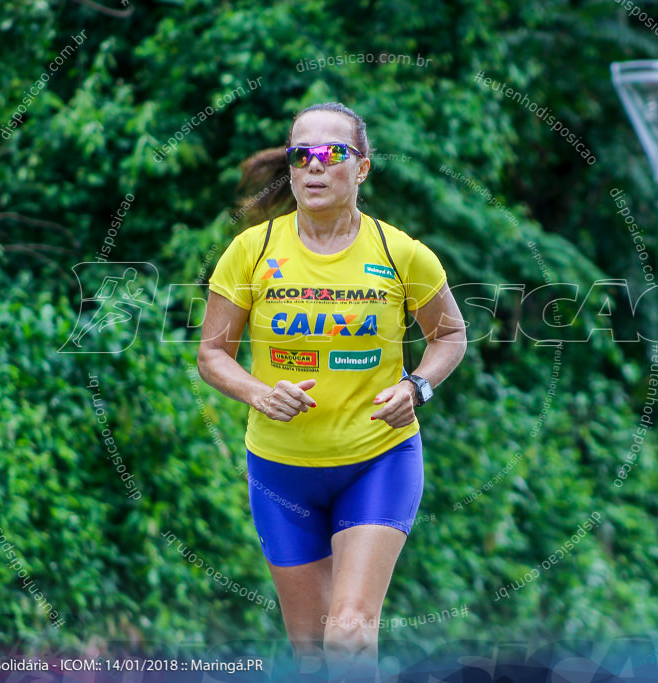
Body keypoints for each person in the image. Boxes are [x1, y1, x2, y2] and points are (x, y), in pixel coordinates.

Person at [197, 102, 466, 678]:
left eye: (331, 154)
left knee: (348, 636)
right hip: (280, 468)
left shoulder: (401, 253)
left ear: (361, 169)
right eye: (301, 155)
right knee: (313, 653)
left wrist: (417, 385)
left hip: (377, 461)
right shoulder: (252, 251)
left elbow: (451, 336)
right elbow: (212, 354)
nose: (314, 167)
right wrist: (256, 393)